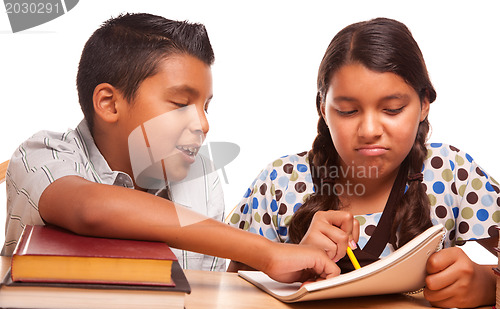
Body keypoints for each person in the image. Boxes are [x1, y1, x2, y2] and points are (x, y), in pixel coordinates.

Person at [1, 13, 340, 283]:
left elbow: (208, 291)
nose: (203, 125)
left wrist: (287, 266)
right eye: (180, 104)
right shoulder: (41, 155)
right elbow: (91, 209)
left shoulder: (200, 178)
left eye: (206, 107)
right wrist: (265, 252)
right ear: (109, 103)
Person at [228, 17, 499, 308]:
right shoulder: (279, 182)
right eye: (347, 111)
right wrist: (288, 267)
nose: (369, 130)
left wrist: (488, 284)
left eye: (392, 109)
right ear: (323, 108)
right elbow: (229, 294)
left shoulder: (453, 174)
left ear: (424, 105)